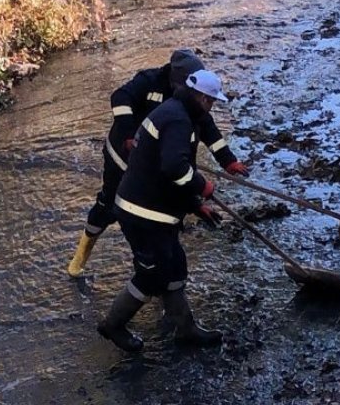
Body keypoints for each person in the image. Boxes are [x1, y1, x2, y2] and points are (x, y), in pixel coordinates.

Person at [67, 50, 249, 277]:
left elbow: (207, 130)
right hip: (122, 158)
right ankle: (82, 254)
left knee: (163, 209)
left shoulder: (191, 103)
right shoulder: (150, 82)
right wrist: (128, 134)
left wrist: (228, 161)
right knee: (107, 208)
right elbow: (120, 98)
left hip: (155, 163)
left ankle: (155, 269)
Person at [96, 69, 231, 352]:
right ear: (201, 98)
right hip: (142, 214)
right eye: (210, 101)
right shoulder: (178, 120)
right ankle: (113, 325)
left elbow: (166, 173)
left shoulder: (178, 112)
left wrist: (195, 205)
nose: (211, 107)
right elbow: (174, 168)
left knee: (175, 266)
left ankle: (185, 327)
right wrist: (202, 186)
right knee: (152, 275)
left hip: (155, 211)